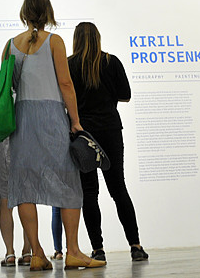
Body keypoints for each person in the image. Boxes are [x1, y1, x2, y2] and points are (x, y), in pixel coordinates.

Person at [3, 0, 105, 271]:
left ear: (24, 13)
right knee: (68, 182)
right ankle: (73, 251)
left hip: (22, 120)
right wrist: (75, 121)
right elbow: (66, 83)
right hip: (51, 118)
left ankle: (37, 253)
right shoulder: (54, 41)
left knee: (24, 185)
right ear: (47, 13)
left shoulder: (10, 45)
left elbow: (8, 87)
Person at [68, 22, 148, 262]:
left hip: (83, 133)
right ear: (98, 38)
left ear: (76, 39)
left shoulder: (70, 64)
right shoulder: (112, 62)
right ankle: (135, 245)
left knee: (89, 193)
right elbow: (126, 95)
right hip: (111, 129)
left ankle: (98, 250)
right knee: (118, 189)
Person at [0, 139, 32, 266]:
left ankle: (10, 253)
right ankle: (27, 252)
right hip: (26, 146)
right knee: (27, 200)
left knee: (5, 202)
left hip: (2, 144)